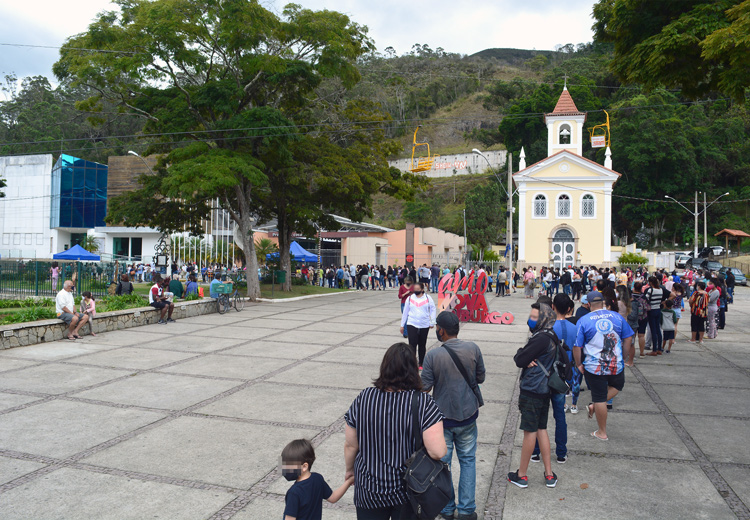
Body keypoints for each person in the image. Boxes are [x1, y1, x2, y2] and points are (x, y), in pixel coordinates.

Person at [344, 343, 446, 519]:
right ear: (413, 370)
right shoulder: (423, 403)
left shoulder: (365, 397)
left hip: (369, 489)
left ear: (384, 367)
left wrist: (349, 470)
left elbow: (351, 444)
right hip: (407, 491)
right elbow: (437, 452)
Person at [421, 312, 485, 520]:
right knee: (468, 461)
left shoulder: (433, 355)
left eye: (437, 327)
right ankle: (466, 511)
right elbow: (480, 377)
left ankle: (447, 509)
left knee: (443, 465)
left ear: (442, 330)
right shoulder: (473, 348)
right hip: (468, 416)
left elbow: (425, 387)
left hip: (442, 420)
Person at [508, 302, 558, 489]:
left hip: (533, 390)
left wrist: (524, 356)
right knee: (541, 429)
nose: (531, 319)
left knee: (530, 431)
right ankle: (549, 474)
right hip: (544, 389)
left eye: (535, 316)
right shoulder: (551, 334)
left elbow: (519, 359)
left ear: (543, 318)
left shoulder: (540, 339)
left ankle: (521, 475)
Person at [573, 291, 635, 441]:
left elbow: (577, 346)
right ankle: (597, 409)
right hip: (615, 363)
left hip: (594, 366)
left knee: (600, 398)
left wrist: (578, 364)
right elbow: (628, 338)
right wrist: (624, 356)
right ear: (603, 303)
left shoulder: (584, 320)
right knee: (618, 385)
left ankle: (602, 431)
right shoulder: (617, 317)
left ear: (588, 304)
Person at [530, 293, 576, 467]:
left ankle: (535, 452)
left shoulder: (547, 327)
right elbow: (577, 350)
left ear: (553, 307)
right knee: (560, 416)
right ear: (570, 308)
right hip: (562, 377)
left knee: (539, 416)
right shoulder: (574, 328)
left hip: (545, 376)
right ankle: (561, 453)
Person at [281, 438, 353, 520]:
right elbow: (333, 498)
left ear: (304, 466)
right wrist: (348, 482)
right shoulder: (317, 479)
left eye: (288, 465)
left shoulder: (294, 493)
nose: (283, 468)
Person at [400, 282, 436, 369]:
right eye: (414, 289)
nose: (415, 291)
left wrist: (432, 322)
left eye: (418, 290)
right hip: (412, 323)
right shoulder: (410, 298)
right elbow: (405, 312)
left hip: (424, 324)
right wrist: (402, 325)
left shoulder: (428, 298)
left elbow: (433, 309)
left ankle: (421, 363)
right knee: (412, 344)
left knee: (422, 344)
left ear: (422, 289)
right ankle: (412, 363)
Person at [644, 276, 665, 355]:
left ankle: (654, 350)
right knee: (658, 330)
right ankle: (659, 348)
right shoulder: (660, 290)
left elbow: (646, 300)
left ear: (651, 282)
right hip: (658, 309)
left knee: (653, 330)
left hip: (651, 310)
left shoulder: (650, 290)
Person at [628, 282, 649, 358]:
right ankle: (642, 352)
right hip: (643, 318)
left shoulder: (631, 297)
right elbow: (648, 307)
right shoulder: (644, 297)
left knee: (632, 336)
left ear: (634, 288)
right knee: (641, 335)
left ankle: (630, 352)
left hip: (632, 318)